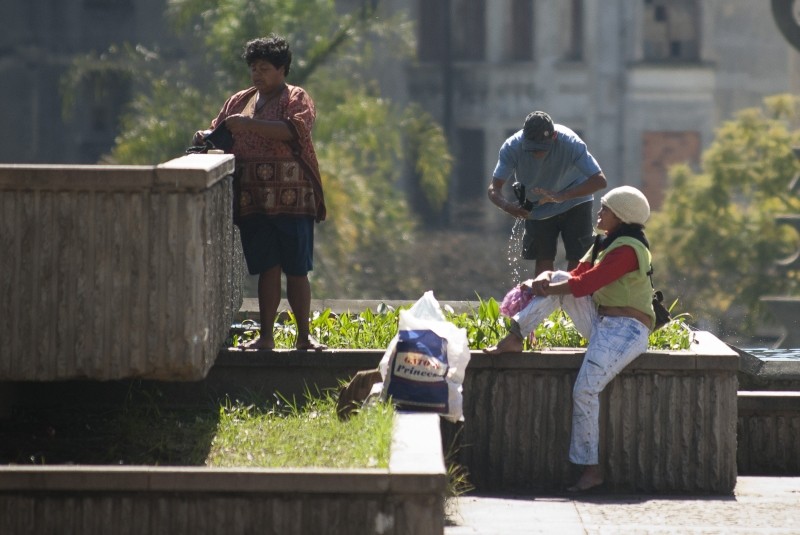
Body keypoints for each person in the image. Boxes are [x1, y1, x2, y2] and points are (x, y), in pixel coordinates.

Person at [484, 186, 655, 493]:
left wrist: (545, 288)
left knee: (586, 390)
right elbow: (576, 274)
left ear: (622, 216)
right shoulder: (604, 242)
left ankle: (592, 470)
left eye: (605, 209)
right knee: (559, 278)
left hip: (627, 329)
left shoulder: (629, 249)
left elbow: (590, 282)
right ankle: (515, 335)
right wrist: (543, 280)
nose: (599, 213)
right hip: (603, 322)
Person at [193, 35, 326, 351]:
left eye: (264, 68)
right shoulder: (239, 101)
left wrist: (249, 125)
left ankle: (304, 336)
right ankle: (266, 337)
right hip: (254, 199)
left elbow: (295, 130)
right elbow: (219, 134)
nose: (257, 74)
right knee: (267, 268)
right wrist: (204, 137)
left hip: (293, 198)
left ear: (282, 69)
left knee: (296, 269)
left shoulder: (296, 98)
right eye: (254, 68)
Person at [488, 111, 607, 276]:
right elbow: (494, 188)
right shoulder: (512, 147)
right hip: (538, 206)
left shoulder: (571, 143)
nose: (538, 154)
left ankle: (571, 300)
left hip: (575, 199)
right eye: (532, 149)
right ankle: (544, 299)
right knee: (542, 258)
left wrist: (562, 196)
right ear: (524, 139)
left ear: (554, 136)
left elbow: (600, 181)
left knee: (578, 258)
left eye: (543, 148)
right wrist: (508, 207)